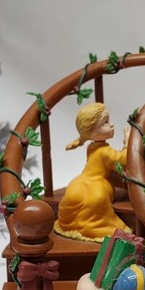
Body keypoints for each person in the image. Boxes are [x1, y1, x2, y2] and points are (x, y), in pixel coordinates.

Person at [55, 102, 130, 241]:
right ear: (93, 132)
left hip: (81, 181)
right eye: (105, 122)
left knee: (76, 198)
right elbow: (122, 160)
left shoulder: (92, 147)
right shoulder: (105, 151)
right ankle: (93, 227)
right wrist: (127, 145)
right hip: (96, 184)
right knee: (95, 204)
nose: (112, 124)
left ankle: (74, 223)